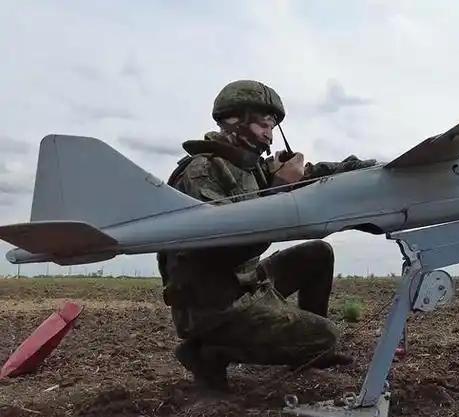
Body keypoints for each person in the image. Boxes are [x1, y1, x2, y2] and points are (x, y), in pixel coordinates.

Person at [158, 80, 376, 390]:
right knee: (327, 336)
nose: (269, 136)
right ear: (234, 120)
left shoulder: (250, 169)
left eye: (272, 127)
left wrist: (364, 169)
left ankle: (307, 354)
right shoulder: (202, 171)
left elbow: (312, 175)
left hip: (242, 285)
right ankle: (208, 352)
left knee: (318, 253)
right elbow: (223, 246)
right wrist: (279, 190)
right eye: (263, 125)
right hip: (213, 307)